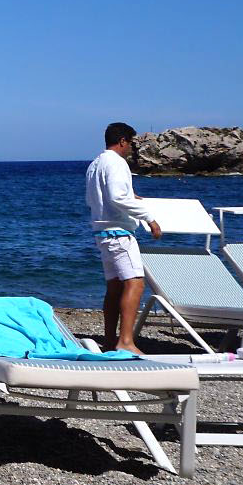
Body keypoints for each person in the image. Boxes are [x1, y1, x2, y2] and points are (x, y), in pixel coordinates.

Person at [85, 121, 161, 353]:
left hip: (102, 232)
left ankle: (110, 340)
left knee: (115, 287)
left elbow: (96, 197)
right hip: (119, 232)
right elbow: (117, 197)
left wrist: (131, 196)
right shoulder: (117, 163)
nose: (131, 148)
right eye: (130, 143)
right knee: (135, 283)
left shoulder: (95, 164)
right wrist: (149, 218)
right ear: (122, 141)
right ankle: (126, 341)